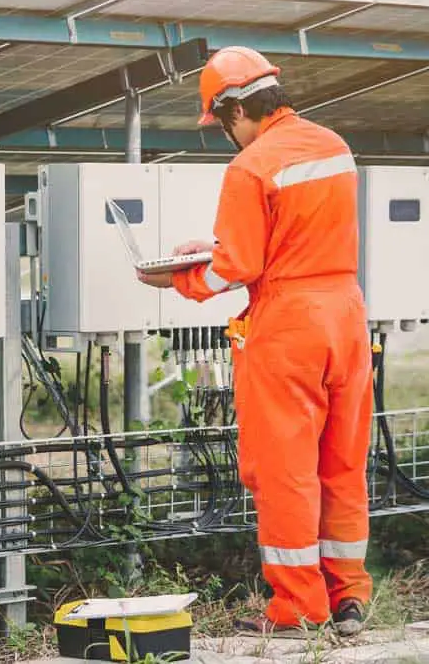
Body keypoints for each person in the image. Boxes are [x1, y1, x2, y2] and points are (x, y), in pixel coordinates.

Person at [136, 46, 373, 636]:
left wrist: (177, 276)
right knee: (342, 463)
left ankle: (298, 608)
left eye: (221, 125)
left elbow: (233, 268)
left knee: (285, 468)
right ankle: (348, 598)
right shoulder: (334, 148)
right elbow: (290, 238)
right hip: (345, 314)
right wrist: (214, 252)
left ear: (234, 110)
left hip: (288, 325)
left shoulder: (250, 167)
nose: (225, 135)